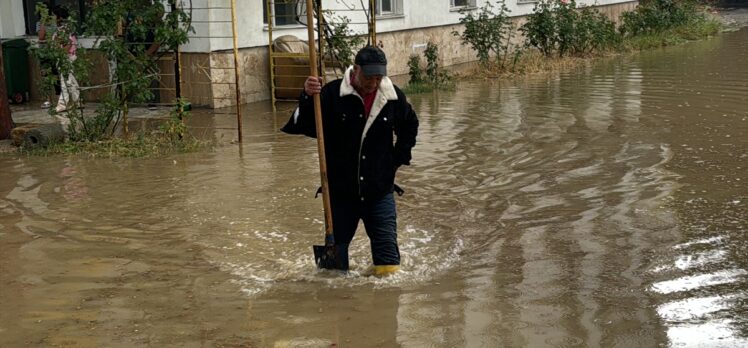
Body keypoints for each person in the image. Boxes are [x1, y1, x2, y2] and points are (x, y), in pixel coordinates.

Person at [281, 46, 419, 276]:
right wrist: (306, 95)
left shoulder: (392, 96)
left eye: (378, 77)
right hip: (340, 192)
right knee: (332, 273)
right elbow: (302, 126)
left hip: (379, 190)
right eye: (368, 77)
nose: (373, 83)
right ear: (355, 70)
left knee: (389, 266)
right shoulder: (332, 94)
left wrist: (397, 159)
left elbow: (410, 125)